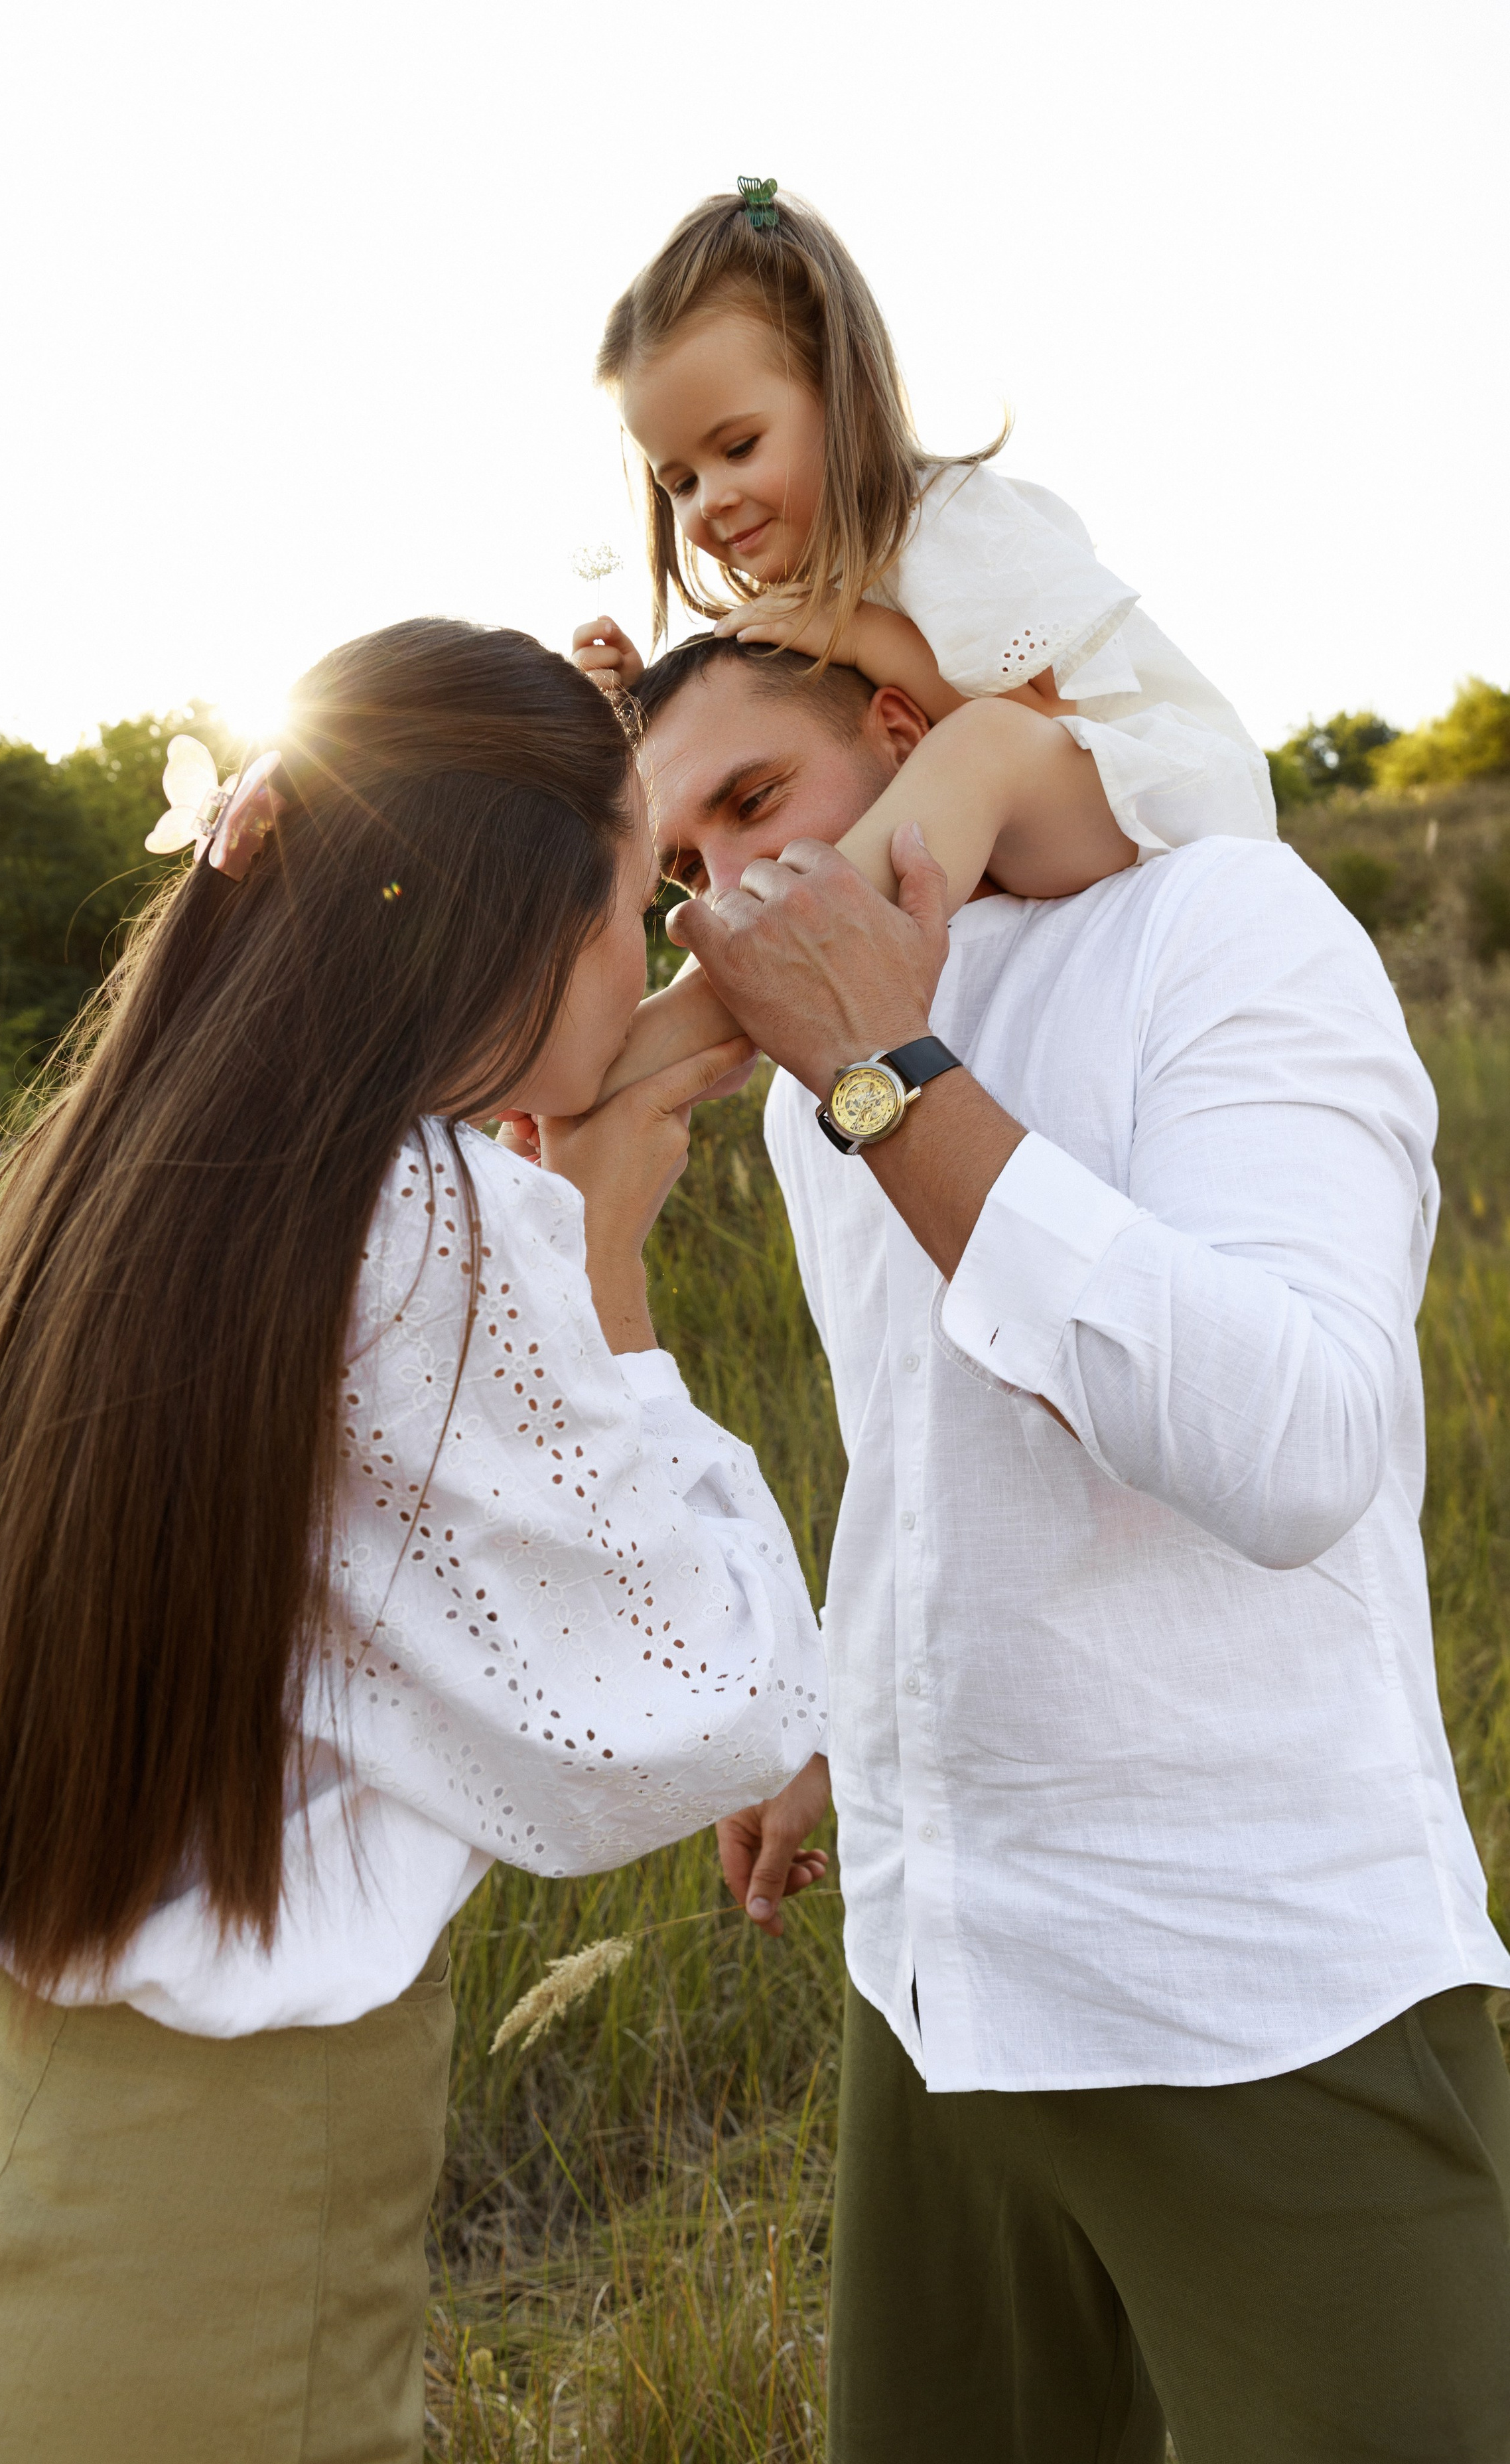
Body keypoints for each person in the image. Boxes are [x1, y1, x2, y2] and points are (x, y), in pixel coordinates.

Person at [0, 620, 827, 2463]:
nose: (656, 943)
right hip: (180, 2282)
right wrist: (604, 1253)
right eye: (631, 898)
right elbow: (712, 1703)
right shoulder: (435, 1224)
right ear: (519, 927)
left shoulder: (153, 1171)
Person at [627, 629, 1510, 2463]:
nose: (733, 896)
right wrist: (835, 1728)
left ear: (904, 733)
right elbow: (914, 1453)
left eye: (757, 802)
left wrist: (886, 1066)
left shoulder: (1226, 927)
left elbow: (1297, 1449)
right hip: (938, 1966)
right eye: (683, 872)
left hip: (1252, 1983)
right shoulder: (812, 1090)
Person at [575, 179, 1274, 945]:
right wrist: (637, 706)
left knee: (980, 747)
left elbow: (1042, 727)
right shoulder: (812, 587)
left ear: (842, 394)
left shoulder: (942, 522)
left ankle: (757, 959)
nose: (710, 499)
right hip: (1039, 852)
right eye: (679, 482)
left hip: (1156, 800)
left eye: (739, 448)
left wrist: (864, 637)